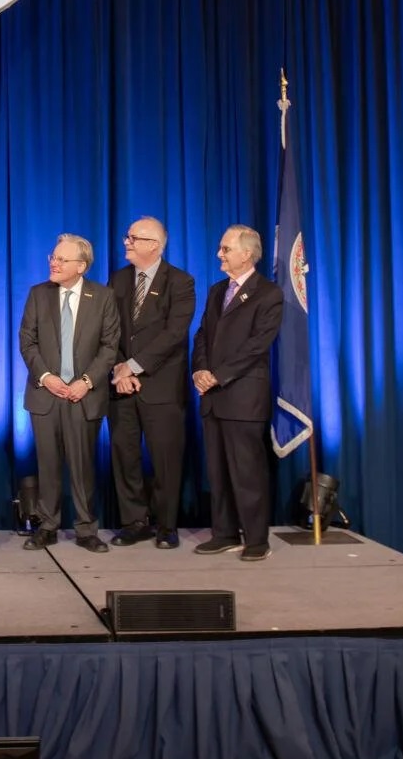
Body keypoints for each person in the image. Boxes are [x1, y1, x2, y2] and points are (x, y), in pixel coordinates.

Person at [17, 234, 121, 552]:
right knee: (47, 465)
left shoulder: (102, 297)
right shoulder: (39, 294)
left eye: (62, 259)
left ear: (81, 265)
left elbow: (109, 346)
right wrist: (46, 376)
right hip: (46, 394)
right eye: (53, 256)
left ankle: (86, 529)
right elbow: (27, 340)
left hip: (82, 396)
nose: (54, 262)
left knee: (82, 465)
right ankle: (47, 525)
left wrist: (86, 381)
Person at [191, 224, 284, 562]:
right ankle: (225, 533)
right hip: (212, 397)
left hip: (243, 396)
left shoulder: (268, 293)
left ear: (246, 254)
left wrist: (219, 375)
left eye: (225, 249)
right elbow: (202, 334)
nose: (220, 254)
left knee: (247, 472)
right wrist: (200, 370)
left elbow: (257, 345)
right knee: (217, 470)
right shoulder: (217, 290)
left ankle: (257, 539)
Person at [107, 217, 198, 550]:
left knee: (165, 459)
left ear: (154, 245)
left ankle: (166, 525)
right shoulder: (117, 279)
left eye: (134, 238)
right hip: (120, 385)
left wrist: (133, 367)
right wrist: (119, 368)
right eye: (126, 236)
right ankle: (134, 521)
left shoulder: (181, 282)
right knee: (125, 456)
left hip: (160, 387)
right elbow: (109, 330)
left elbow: (174, 334)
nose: (126, 242)